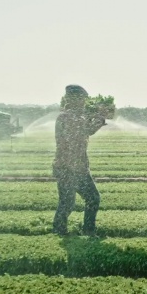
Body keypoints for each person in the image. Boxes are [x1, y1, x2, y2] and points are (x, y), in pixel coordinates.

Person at [52, 85, 106, 236]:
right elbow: (83, 130)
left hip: (77, 167)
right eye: (81, 99)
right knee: (70, 203)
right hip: (68, 168)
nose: (84, 102)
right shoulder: (67, 117)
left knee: (87, 199)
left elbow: (87, 129)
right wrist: (98, 117)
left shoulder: (75, 116)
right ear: (72, 99)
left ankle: (84, 230)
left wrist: (99, 119)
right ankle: (61, 231)